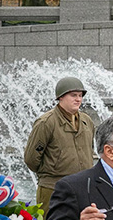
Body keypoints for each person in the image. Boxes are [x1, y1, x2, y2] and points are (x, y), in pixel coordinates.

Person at [24, 76, 95, 209]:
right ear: (61, 97)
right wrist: (50, 172)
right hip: (53, 189)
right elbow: (31, 159)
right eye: (73, 95)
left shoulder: (86, 121)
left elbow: (89, 150)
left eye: (80, 95)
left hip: (83, 187)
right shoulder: (46, 123)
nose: (78, 99)